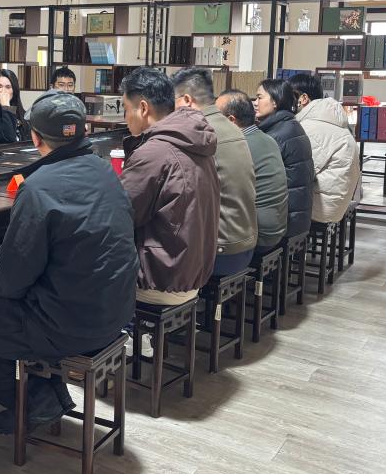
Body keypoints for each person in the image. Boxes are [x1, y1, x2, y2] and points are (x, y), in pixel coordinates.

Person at [0, 90, 138, 433]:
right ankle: (47, 392)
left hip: (67, 325)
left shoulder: (39, 187)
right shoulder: (108, 172)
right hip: (117, 313)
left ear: (35, 137)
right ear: (85, 130)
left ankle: (35, 398)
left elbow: (12, 278)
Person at [119, 68, 219, 306]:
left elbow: (120, 216)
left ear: (143, 108)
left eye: (126, 109)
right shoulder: (195, 140)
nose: (125, 118)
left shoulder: (154, 152)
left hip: (160, 279)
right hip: (193, 273)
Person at [171, 68, 257, 275]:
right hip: (246, 243)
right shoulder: (232, 126)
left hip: (221, 251)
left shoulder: (199, 131)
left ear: (187, 100)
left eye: (173, 101)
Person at [217, 90, 288, 254]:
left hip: (258, 236)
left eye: (216, 118)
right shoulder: (268, 139)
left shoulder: (239, 147)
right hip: (277, 229)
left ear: (231, 121)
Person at [287, 73, 361, 224]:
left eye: (288, 96)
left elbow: (299, 174)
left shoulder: (311, 127)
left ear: (303, 98)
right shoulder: (331, 121)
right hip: (335, 205)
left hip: (319, 209)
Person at [253, 79, 314, 238]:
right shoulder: (291, 125)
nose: (255, 103)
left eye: (259, 97)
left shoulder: (275, 136)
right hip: (299, 218)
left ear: (275, 102)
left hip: (284, 222)